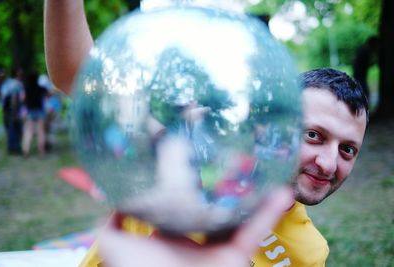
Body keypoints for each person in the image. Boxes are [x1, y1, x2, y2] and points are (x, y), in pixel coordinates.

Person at [44, 1, 369, 266]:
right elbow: (77, 74)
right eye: (314, 135)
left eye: (348, 150)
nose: (328, 163)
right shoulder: (189, 159)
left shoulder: (311, 254)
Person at [21, 73, 48, 157]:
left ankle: (25, 150)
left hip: (30, 111)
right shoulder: (40, 88)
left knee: (28, 132)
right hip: (40, 111)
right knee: (41, 132)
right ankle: (41, 152)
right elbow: (48, 94)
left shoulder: (26, 88)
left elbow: (22, 98)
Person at [0, 68, 25, 154]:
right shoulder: (11, 83)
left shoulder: (11, 83)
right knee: (12, 128)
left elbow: (17, 97)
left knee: (13, 127)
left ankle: (13, 146)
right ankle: (13, 146)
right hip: (10, 109)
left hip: (12, 109)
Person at [352, 36, 379, 102]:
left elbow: (354, 60)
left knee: (361, 91)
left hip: (358, 74)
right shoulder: (366, 50)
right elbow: (369, 63)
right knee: (364, 92)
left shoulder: (361, 49)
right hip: (360, 75)